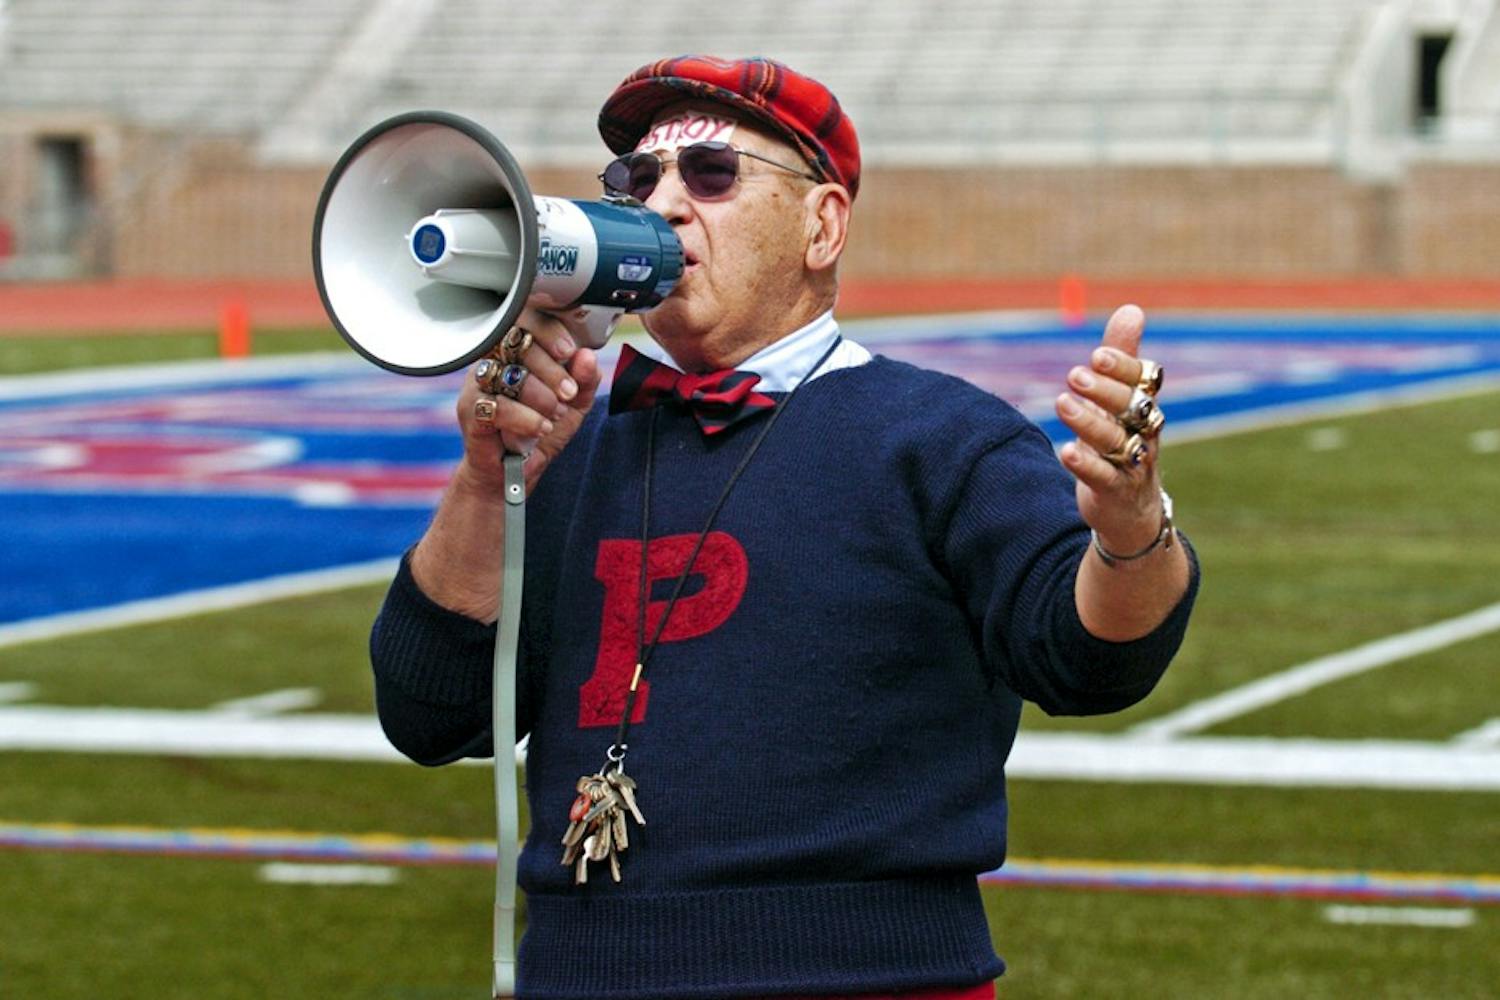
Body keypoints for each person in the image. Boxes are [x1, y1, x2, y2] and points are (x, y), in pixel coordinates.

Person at [370, 55, 1198, 999]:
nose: (664, 204)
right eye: (638, 180)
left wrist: (1132, 525)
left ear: (822, 225)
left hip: (870, 980)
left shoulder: (943, 436)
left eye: (711, 174)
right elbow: (428, 712)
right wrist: (486, 483)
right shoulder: (567, 446)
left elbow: (1090, 658)